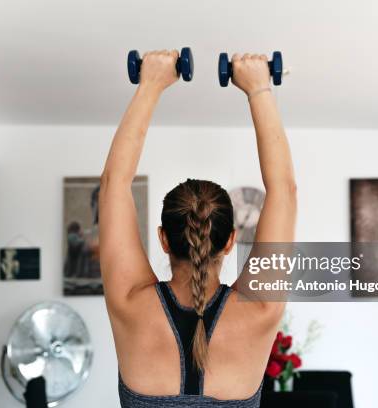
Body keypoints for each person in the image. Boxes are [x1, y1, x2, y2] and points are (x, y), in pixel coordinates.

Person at [99, 50, 297, 407]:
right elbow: (284, 190)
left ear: (163, 239)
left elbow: (115, 184)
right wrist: (258, 89)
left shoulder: (129, 303)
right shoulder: (260, 310)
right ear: (229, 242)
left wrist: (152, 84)